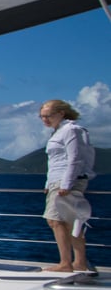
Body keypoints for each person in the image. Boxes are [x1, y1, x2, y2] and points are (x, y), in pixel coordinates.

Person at [39, 99, 96, 272]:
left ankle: (66, 263)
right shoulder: (58, 131)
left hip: (65, 181)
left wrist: (66, 184)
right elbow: (55, 161)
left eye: (48, 116)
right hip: (58, 180)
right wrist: (49, 183)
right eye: (42, 117)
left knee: (56, 221)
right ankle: (79, 262)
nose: (45, 120)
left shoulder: (70, 130)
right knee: (71, 221)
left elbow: (74, 159)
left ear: (61, 113)